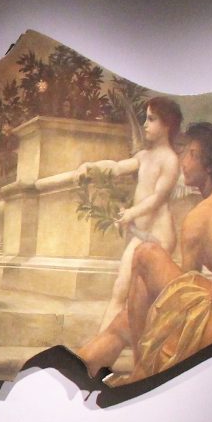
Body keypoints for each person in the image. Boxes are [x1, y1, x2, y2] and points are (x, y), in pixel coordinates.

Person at [75, 122, 212, 383]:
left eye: (189, 153)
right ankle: (85, 364)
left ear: (206, 163)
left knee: (145, 254)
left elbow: (180, 299)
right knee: (132, 310)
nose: (182, 160)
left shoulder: (199, 218)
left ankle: (140, 372)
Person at [66, 96, 185, 330]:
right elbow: (117, 167)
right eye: (145, 119)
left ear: (167, 125)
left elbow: (158, 198)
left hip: (159, 237)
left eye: (151, 119)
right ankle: (101, 343)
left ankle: (115, 343)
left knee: (145, 295)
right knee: (122, 290)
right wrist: (91, 167)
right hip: (141, 235)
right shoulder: (144, 156)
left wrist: (131, 213)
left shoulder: (170, 160)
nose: (145, 124)